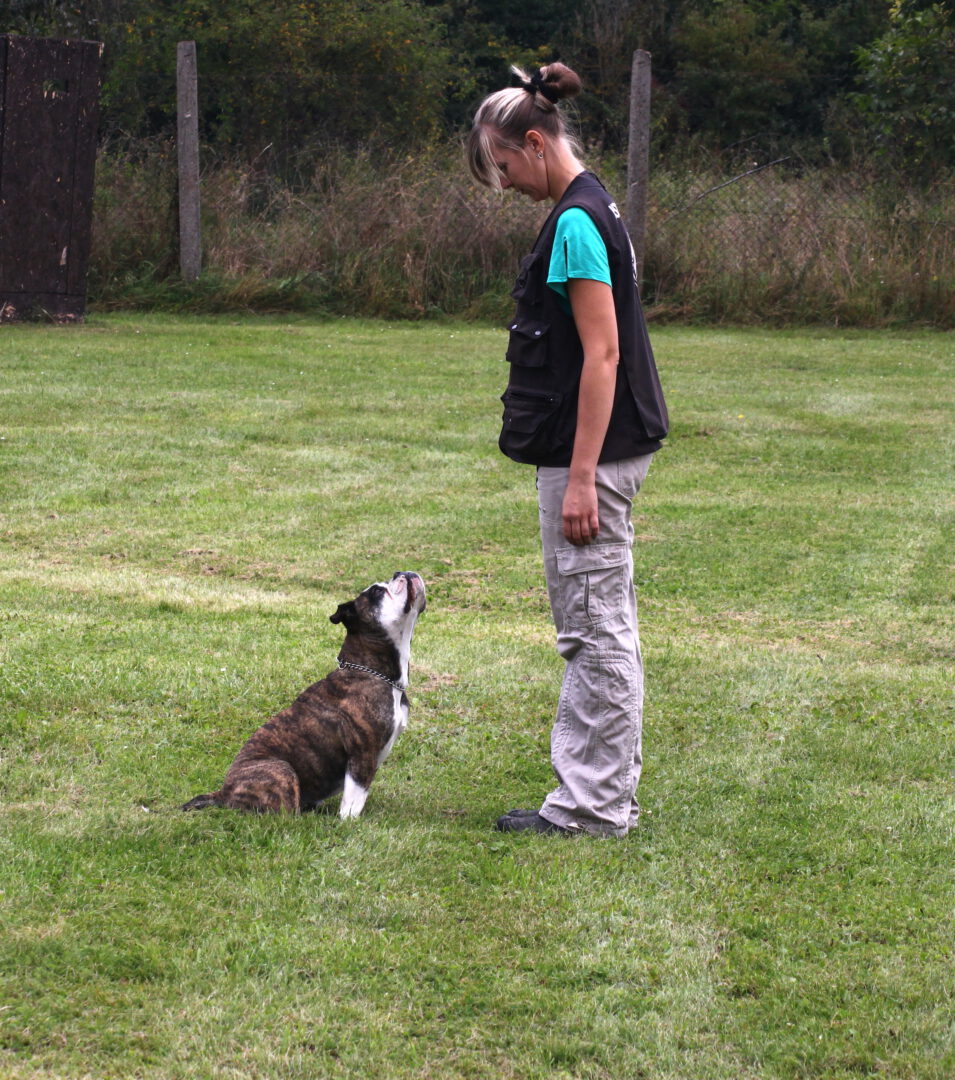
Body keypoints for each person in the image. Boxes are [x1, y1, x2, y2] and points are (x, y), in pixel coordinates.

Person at [467, 62, 668, 837]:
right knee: (599, 622)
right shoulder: (591, 206)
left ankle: (592, 809)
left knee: (593, 629)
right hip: (598, 450)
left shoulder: (577, 221)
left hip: (594, 456)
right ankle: (599, 797)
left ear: (533, 141)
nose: (505, 185)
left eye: (504, 166)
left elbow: (602, 354)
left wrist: (581, 476)